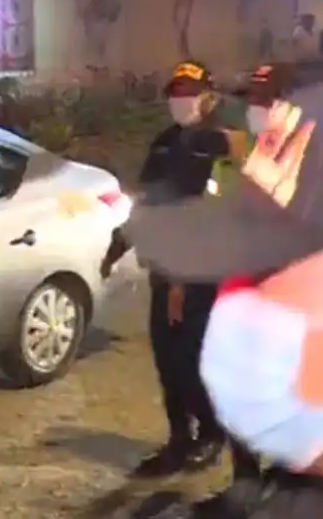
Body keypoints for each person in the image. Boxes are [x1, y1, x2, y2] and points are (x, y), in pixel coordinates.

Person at [126, 84, 323, 517]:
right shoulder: (231, 155)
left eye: (268, 102)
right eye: (254, 101)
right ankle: (247, 481)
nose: (259, 111)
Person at [131, 60, 237, 478]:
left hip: (198, 274)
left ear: (208, 97)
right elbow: (149, 199)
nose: (181, 100)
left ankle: (211, 434)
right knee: (166, 360)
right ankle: (179, 438)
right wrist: (121, 240)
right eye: (176, 92)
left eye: (190, 92)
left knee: (191, 359)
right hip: (165, 270)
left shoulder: (217, 145)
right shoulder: (164, 143)